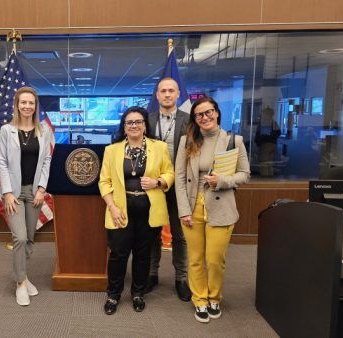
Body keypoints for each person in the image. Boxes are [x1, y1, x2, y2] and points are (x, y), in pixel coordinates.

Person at [175, 97, 250, 323]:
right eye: (199, 115)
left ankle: (214, 296)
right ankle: (200, 299)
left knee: (215, 259)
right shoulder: (187, 141)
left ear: (217, 113)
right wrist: (183, 210)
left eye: (208, 112)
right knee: (196, 258)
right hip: (192, 205)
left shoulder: (233, 140)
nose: (205, 117)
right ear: (195, 119)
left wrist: (223, 180)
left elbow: (245, 174)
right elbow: (179, 177)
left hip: (221, 206)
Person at [98, 106, 174, 315]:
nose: (134, 126)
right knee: (118, 254)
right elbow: (104, 181)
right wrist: (112, 207)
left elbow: (169, 172)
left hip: (148, 210)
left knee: (143, 255)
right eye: (129, 122)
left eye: (138, 122)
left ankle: (138, 294)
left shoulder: (159, 147)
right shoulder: (111, 150)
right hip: (120, 210)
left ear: (144, 125)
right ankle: (113, 295)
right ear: (124, 127)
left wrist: (158, 181)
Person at [0, 86, 52, 306]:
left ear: (35, 106)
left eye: (31, 103)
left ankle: (24, 275)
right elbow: (2, 161)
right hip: (14, 192)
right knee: (19, 237)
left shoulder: (44, 131)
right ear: (17, 105)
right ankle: (20, 283)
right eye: (24, 102)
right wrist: (8, 192)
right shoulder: (6, 130)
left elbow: (47, 160)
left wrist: (41, 188)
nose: (27, 106)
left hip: (34, 192)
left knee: (30, 238)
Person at [146, 77, 191, 301]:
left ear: (177, 94)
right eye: (162, 91)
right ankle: (152, 274)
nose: (166, 94)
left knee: (179, 234)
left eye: (171, 90)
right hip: (154, 185)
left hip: (179, 185)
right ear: (157, 95)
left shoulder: (189, 120)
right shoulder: (148, 119)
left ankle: (181, 278)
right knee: (153, 232)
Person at [255, 106, 280, 177]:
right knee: (270, 165)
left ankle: (265, 181)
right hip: (273, 145)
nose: (263, 114)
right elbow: (278, 133)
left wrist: (260, 141)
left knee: (264, 165)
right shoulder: (274, 122)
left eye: (264, 113)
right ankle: (270, 181)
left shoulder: (265, 122)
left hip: (265, 146)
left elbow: (260, 134)